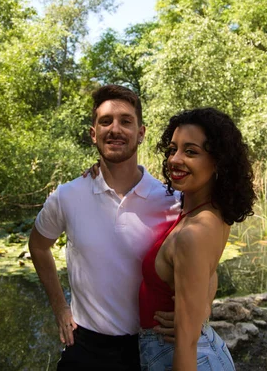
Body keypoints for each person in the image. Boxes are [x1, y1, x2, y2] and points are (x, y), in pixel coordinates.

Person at [29, 85, 191, 370]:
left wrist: (195, 313)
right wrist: (59, 307)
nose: (115, 129)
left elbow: (205, 263)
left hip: (148, 346)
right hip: (84, 345)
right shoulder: (67, 196)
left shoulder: (172, 201)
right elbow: (39, 246)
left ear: (141, 133)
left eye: (126, 121)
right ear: (94, 133)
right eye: (106, 121)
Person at [138, 107, 255, 371]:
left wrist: (196, 316)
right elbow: (208, 272)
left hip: (180, 356)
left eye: (191, 152)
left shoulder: (194, 233)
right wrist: (202, 307)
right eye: (173, 149)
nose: (175, 159)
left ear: (218, 162)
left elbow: (186, 343)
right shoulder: (210, 212)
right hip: (194, 350)